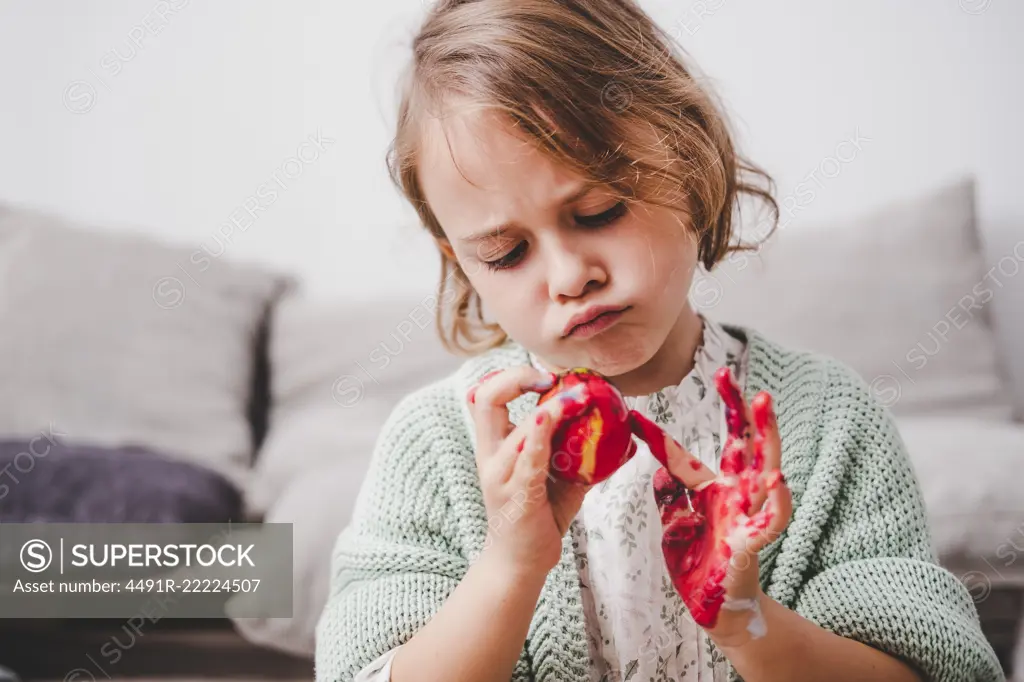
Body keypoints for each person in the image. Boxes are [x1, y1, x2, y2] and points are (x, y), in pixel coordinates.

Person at [314, 1, 1003, 680]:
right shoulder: (436, 446)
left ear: (689, 157)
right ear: (460, 261)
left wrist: (746, 618)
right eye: (505, 252)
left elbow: (936, 667)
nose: (568, 277)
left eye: (598, 211)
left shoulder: (828, 422)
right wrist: (510, 565)